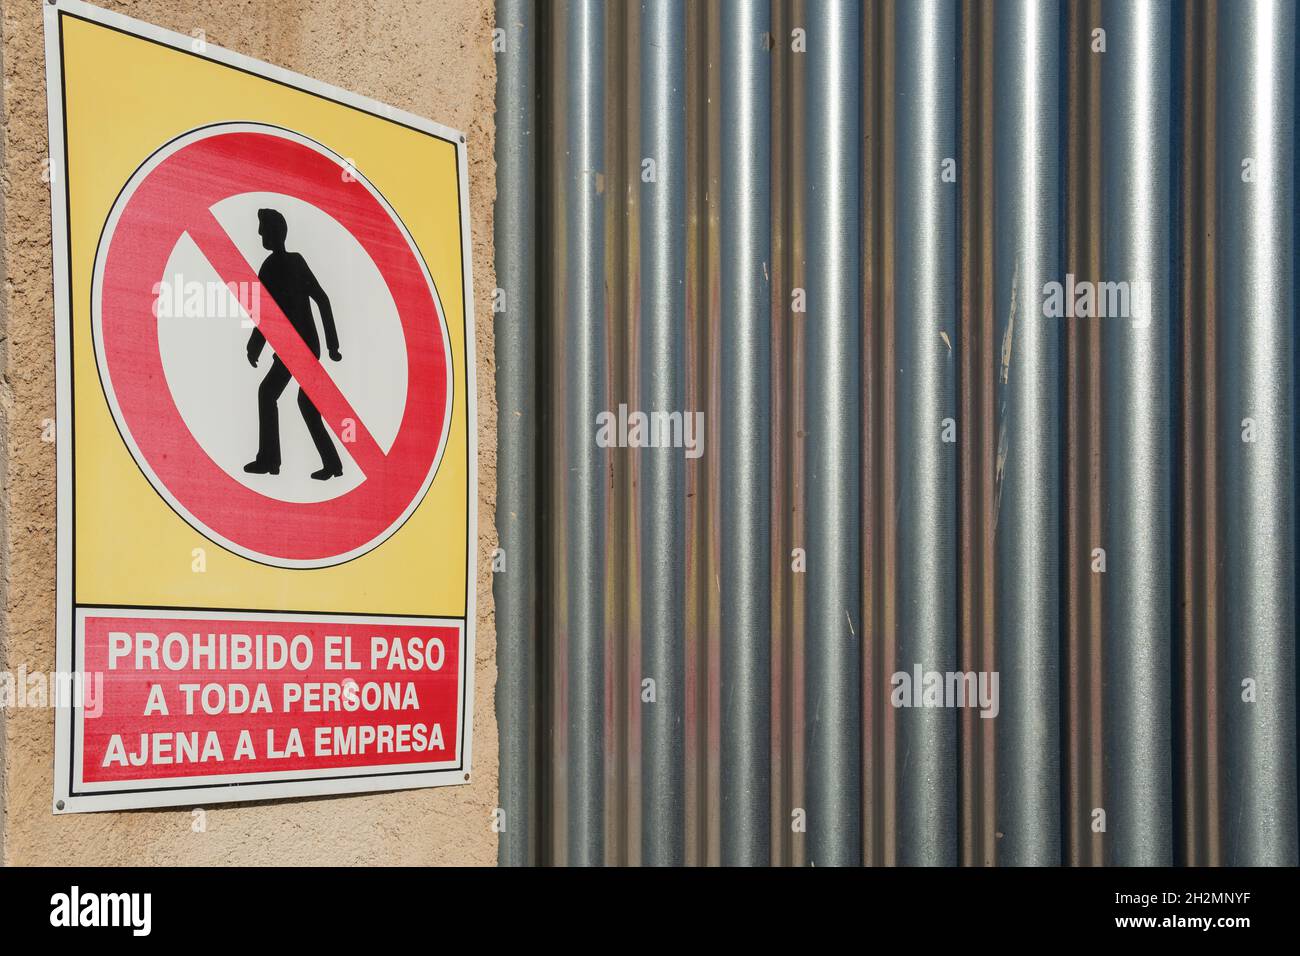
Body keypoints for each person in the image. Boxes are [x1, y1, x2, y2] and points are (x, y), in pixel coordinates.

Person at [243, 208, 344, 480]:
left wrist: (333, 345)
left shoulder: (285, 264)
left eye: (263, 229)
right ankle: (330, 465)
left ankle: (269, 460)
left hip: (299, 347)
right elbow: (266, 313)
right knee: (303, 404)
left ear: (276, 232)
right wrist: (256, 344)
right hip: (299, 345)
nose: (260, 234)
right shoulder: (275, 265)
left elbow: (321, 300)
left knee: (270, 394)